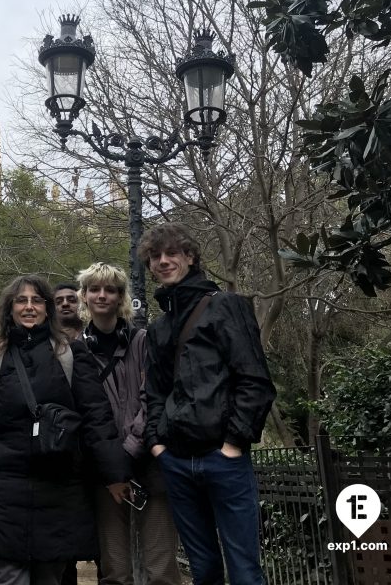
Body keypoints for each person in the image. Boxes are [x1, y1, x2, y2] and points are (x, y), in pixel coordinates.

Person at [0, 275, 128, 585]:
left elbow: (96, 417)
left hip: (59, 485)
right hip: (3, 488)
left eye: (36, 300)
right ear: (10, 309)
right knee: (5, 576)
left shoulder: (71, 354)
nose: (29, 307)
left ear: (48, 309)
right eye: (21, 300)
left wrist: (114, 474)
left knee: (50, 576)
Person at [139, 224, 275, 585]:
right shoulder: (159, 328)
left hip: (223, 458)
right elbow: (154, 392)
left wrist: (233, 444)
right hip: (177, 461)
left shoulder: (226, 306)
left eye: (172, 253)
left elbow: (255, 380)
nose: (163, 261)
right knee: (204, 570)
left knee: (245, 571)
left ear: (190, 257)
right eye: (155, 256)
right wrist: (158, 445)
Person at [78, 263, 180, 585]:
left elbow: (153, 397)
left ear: (121, 296)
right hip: (106, 473)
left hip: (150, 461)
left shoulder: (143, 341)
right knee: (114, 568)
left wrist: (130, 448)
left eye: (111, 289)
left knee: (161, 566)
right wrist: (112, 461)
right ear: (85, 295)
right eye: (95, 288)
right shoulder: (75, 351)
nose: (102, 295)